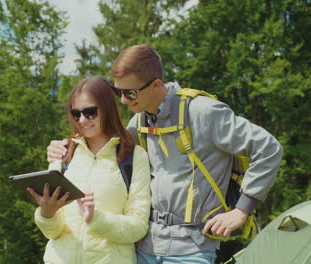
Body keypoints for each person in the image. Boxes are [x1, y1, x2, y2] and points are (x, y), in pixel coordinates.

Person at [47, 44, 283, 263]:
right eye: (117, 91)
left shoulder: (203, 112)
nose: (122, 100)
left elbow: (268, 148)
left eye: (129, 93)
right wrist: (65, 146)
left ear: (156, 85)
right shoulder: (138, 123)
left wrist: (242, 211)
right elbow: (103, 144)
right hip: (145, 248)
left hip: (192, 248)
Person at [28, 76, 151, 264]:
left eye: (90, 112)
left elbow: (138, 227)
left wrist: (96, 219)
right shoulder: (63, 153)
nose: (82, 120)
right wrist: (47, 214)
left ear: (107, 109)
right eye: (76, 113)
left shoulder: (133, 157)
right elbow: (52, 233)